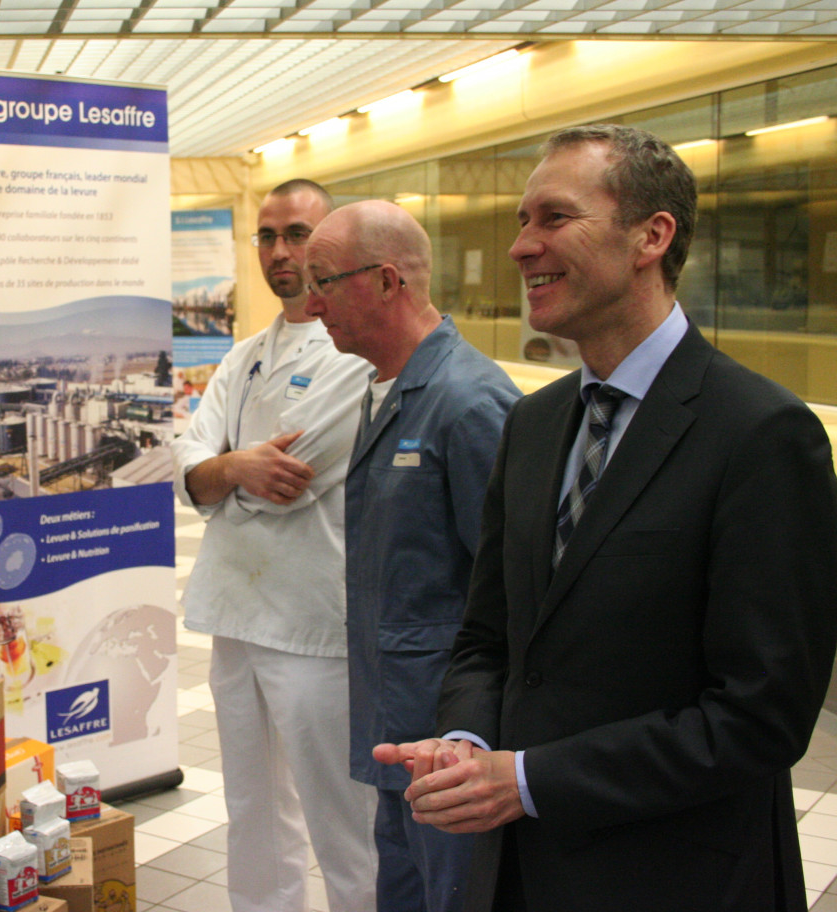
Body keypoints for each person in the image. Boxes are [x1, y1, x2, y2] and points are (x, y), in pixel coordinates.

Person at [376, 123, 837, 911]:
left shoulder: (762, 434)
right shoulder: (534, 424)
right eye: (523, 221)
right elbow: (491, 635)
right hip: (525, 872)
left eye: (553, 218)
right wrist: (468, 744)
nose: (522, 246)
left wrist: (525, 780)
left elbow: (760, 718)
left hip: (677, 876)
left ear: (651, 236)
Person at [303, 201, 519, 912]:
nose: (312, 303)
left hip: (450, 737)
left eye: (325, 281)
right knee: (403, 889)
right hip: (397, 724)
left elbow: (513, 590)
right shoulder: (387, 388)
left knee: (454, 893)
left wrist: (481, 734)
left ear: (387, 280)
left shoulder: (467, 401)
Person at [171, 179, 377, 912]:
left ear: (335, 243)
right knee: (253, 810)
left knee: (344, 818)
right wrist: (229, 470)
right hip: (234, 613)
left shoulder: (355, 351)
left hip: (312, 621)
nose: (281, 250)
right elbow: (187, 464)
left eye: (299, 234)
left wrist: (223, 478)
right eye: (268, 235)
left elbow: (297, 472)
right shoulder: (244, 354)